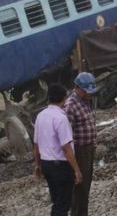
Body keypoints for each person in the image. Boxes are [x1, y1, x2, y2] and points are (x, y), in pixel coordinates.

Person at [34, 84, 83, 216]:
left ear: (49, 98)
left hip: (46, 164)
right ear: (64, 98)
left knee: (56, 201)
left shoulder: (40, 116)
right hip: (60, 166)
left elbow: (36, 144)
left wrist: (38, 164)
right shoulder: (61, 118)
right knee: (63, 204)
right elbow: (66, 148)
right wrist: (76, 169)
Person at [64, 73, 97, 216]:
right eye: (86, 90)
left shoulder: (86, 101)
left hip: (89, 148)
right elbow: (66, 135)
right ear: (77, 88)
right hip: (79, 150)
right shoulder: (70, 106)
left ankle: (84, 213)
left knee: (86, 185)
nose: (89, 94)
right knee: (79, 186)